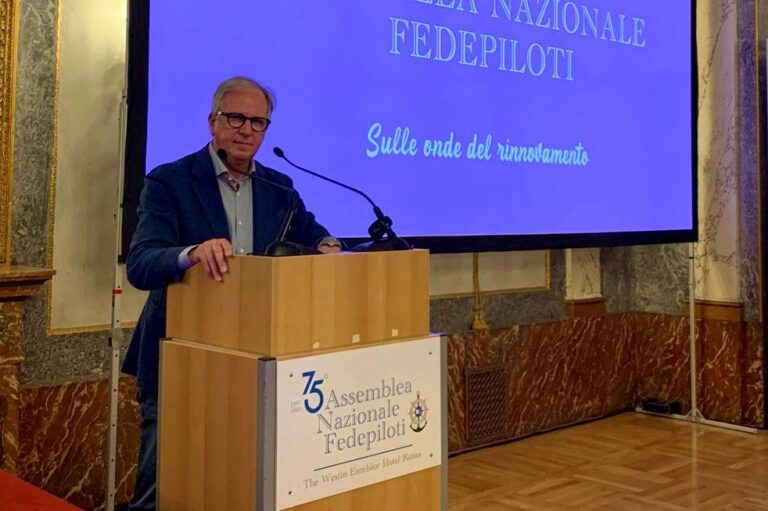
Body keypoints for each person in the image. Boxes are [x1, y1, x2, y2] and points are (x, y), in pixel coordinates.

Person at [123, 76, 341, 510]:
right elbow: (141, 263)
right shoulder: (170, 181)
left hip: (255, 357)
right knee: (160, 487)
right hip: (179, 357)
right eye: (236, 118)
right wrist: (191, 254)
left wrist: (328, 245)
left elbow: (315, 234)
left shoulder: (280, 188)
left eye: (258, 122)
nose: (246, 130)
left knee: (236, 483)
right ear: (213, 122)